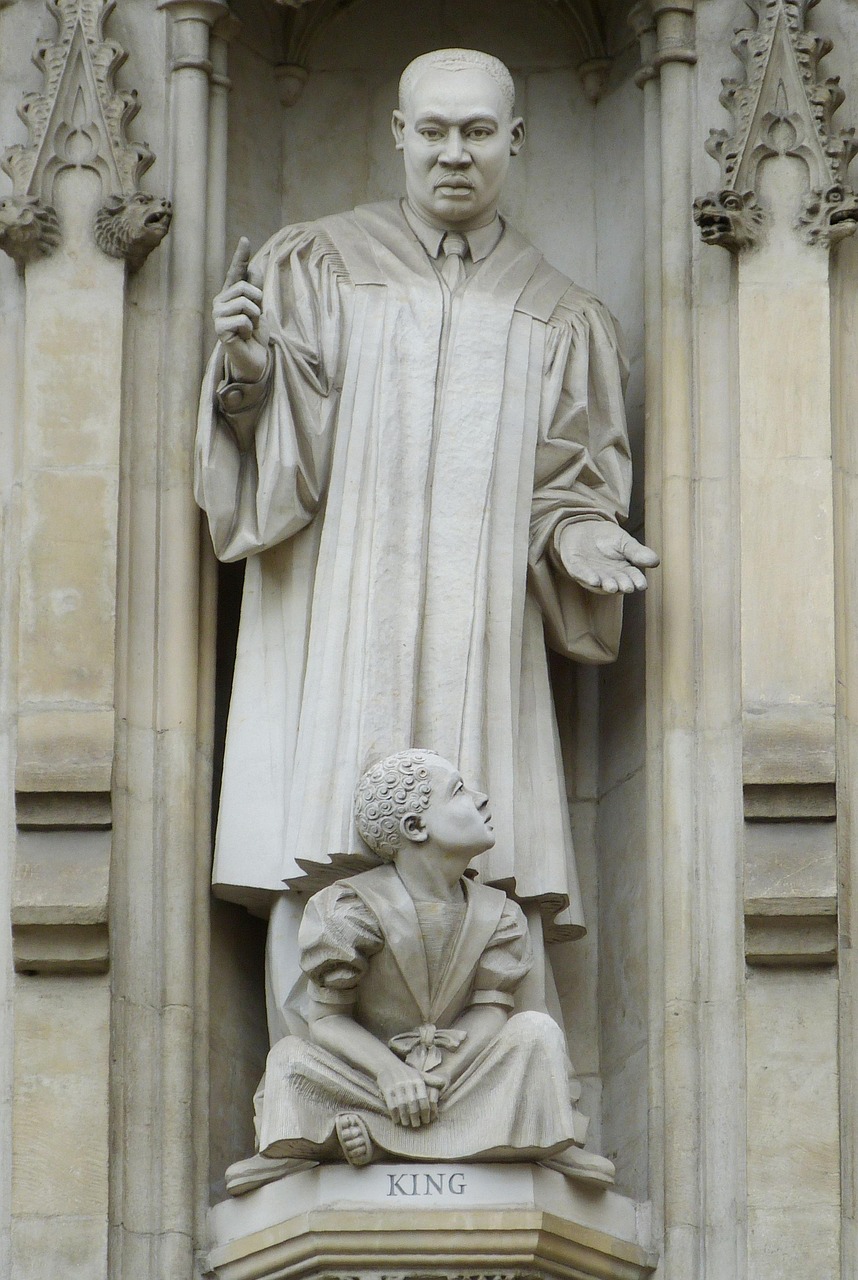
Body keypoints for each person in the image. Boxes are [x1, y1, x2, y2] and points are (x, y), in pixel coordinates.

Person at [194, 49, 659, 1039]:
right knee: (324, 831)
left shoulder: (561, 313)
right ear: (399, 134)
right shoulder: (316, 265)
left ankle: (497, 1074)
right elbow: (274, 474)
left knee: (483, 844)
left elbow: (570, 479)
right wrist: (245, 378)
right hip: (337, 618)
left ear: (514, 140)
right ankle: (317, 1070)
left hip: (476, 632)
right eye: (436, 131)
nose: (456, 153)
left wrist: (579, 533)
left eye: (478, 131)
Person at [227, 750, 614, 1194]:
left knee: (536, 1033)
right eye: (460, 791)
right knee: (290, 1058)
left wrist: (440, 1078)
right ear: (415, 827)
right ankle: (476, 1133)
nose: (482, 799)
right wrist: (390, 1074)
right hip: (372, 1077)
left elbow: (491, 1008)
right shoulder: (350, 907)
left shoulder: (499, 914)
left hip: (456, 1076)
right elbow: (328, 1019)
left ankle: (373, 1135)